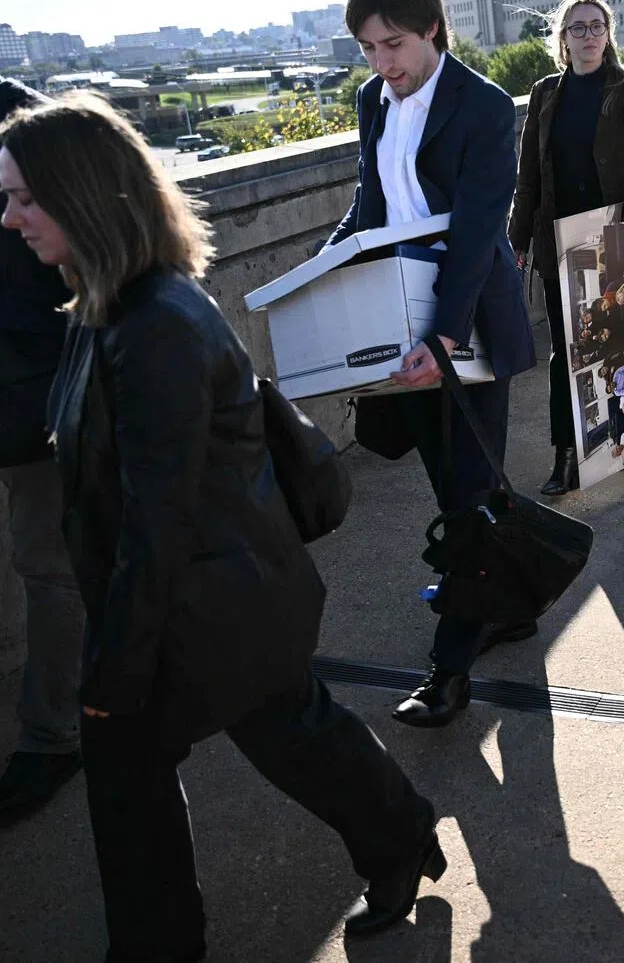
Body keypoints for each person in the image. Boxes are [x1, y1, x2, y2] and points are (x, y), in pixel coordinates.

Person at [0, 92, 443, 958]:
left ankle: (391, 840)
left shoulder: (152, 323)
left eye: (22, 197)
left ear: (85, 197)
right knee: (239, 752)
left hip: (209, 608)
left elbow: (154, 524)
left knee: (285, 741)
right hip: (204, 598)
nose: (7, 216)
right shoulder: (107, 301)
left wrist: (112, 669)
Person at [327, 0, 536, 728]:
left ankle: (448, 673)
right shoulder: (369, 102)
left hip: (467, 318)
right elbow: (370, 202)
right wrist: (320, 271)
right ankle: (507, 606)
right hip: (397, 314)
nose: (382, 62)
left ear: (433, 32)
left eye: (395, 44)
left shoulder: (481, 106)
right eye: (368, 48)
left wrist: (444, 334)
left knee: (470, 497)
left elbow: (480, 231)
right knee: (453, 485)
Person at [509, 0, 624, 494]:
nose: (588, 36)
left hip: (618, 237)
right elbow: (528, 176)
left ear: (609, 34)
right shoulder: (544, 95)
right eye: (577, 28)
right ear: (563, 38)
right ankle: (567, 455)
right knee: (567, 354)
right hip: (560, 240)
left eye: (596, 27)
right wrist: (517, 239)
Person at [0, 79, 85, 821]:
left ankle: (53, 738)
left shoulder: (27, 121)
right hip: (25, 386)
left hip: (31, 399)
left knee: (49, 568)